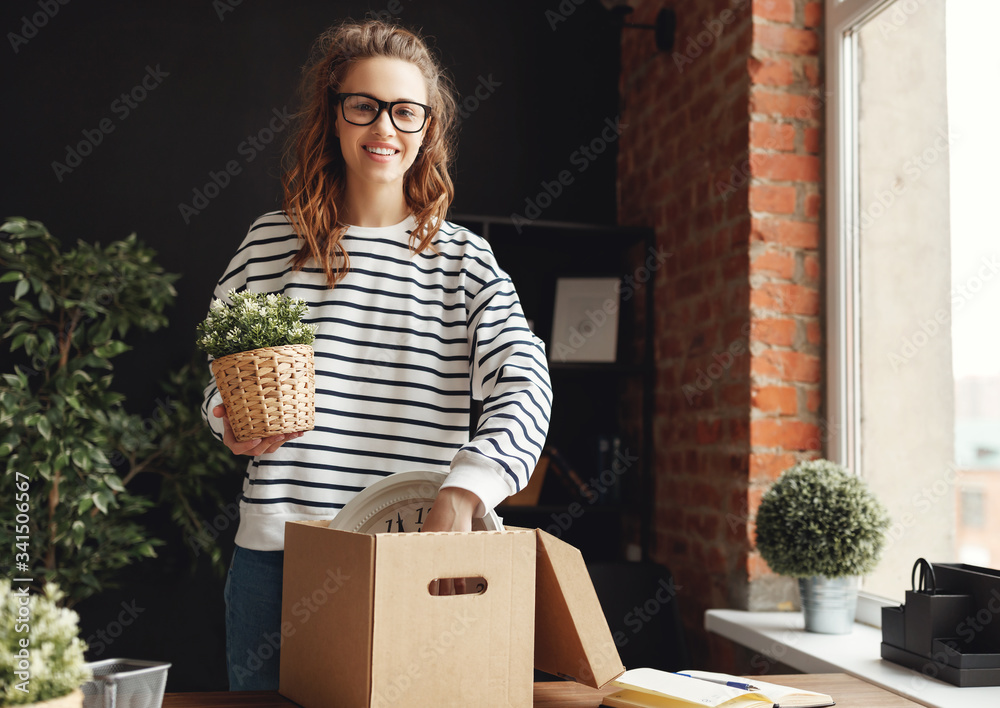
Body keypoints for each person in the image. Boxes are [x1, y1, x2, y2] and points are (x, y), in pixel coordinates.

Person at [199, 18, 552, 691]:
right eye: (362, 106)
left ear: (427, 129)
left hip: (415, 559)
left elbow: (526, 380)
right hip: (278, 559)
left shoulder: (464, 262)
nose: (382, 128)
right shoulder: (271, 243)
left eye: (404, 111)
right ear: (334, 116)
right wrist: (229, 421)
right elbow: (220, 377)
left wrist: (466, 489)